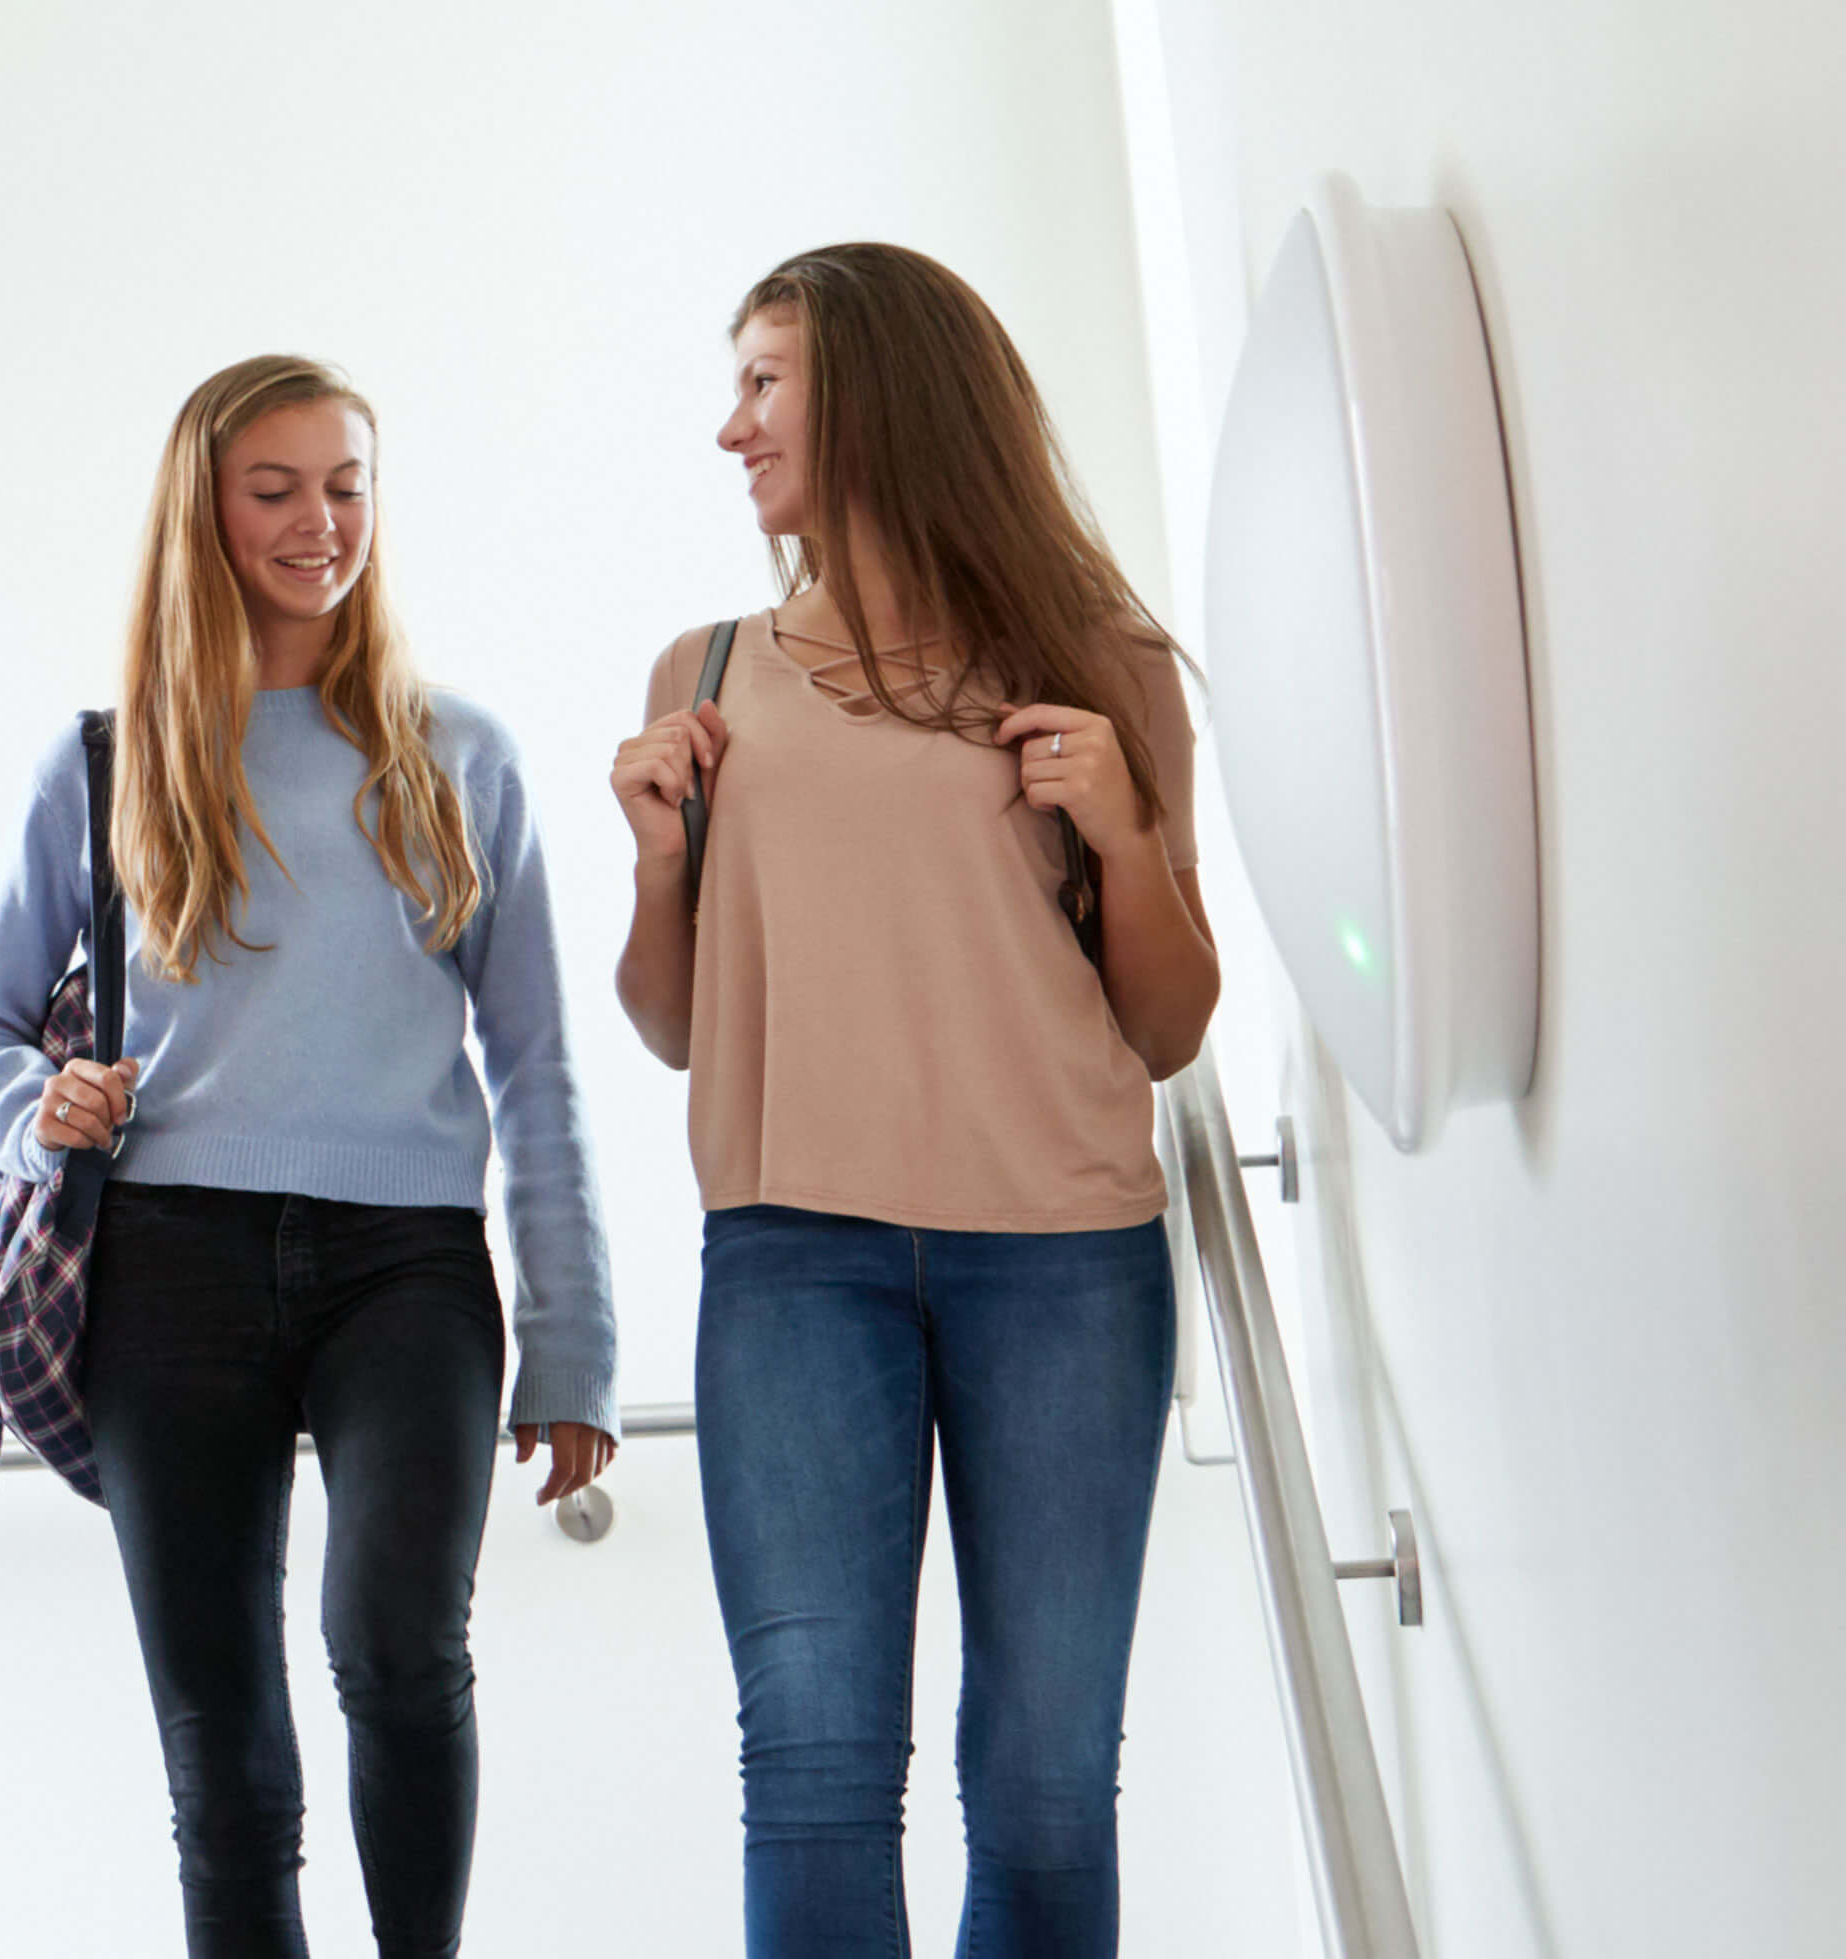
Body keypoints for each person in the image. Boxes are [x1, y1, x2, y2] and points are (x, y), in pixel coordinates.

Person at [0, 355, 615, 1959]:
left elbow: (539, 1067)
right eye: (278, 488)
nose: (323, 522)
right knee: (222, 1757)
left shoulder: (463, 753)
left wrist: (573, 1338)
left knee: (394, 1640)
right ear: (206, 511)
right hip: (170, 1261)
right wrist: (30, 1109)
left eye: (349, 483)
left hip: (409, 1264)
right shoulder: (103, 763)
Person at [605, 244, 1219, 1959]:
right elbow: (674, 1024)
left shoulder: (1100, 658)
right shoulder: (708, 668)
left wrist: (1116, 829)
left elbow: (1166, 1023)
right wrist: (660, 862)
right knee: (810, 1758)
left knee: (1040, 1779)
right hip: (796, 1258)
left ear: (875, 392)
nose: (732, 427)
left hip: (1066, 1263)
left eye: (765, 379)